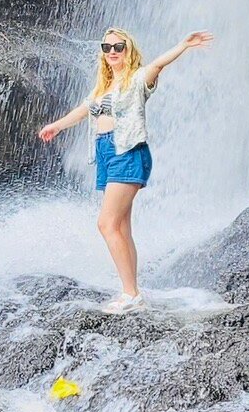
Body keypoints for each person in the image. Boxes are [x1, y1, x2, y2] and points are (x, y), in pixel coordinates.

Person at [38, 27, 214, 314]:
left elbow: (157, 65)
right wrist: (57, 126)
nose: (112, 52)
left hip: (128, 151)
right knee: (121, 227)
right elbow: (84, 110)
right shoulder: (102, 88)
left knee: (106, 224)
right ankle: (133, 291)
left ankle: (130, 294)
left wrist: (183, 44)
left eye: (118, 47)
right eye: (107, 47)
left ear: (128, 49)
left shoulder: (136, 79)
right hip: (106, 154)